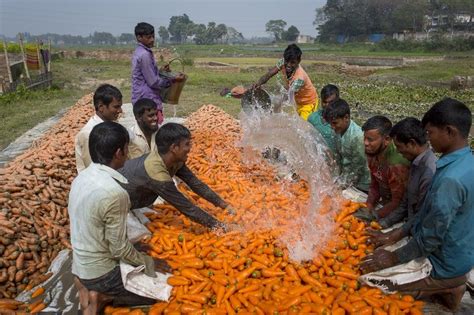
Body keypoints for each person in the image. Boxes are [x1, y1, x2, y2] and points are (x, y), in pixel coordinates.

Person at [361, 98, 474, 311]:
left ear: (449, 131)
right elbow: (425, 211)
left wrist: (394, 256)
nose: (428, 139)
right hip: (458, 253)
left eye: (430, 133)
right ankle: (450, 286)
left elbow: (431, 236)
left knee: (371, 284)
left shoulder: (450, 179)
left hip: (443, 263)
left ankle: (448, 285)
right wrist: (396, 235)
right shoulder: (465, 162)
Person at [69, 121, 171, 313]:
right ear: (119, 153)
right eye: (126, 148)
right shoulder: (114, 192)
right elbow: (118, 249)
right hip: (102, 274)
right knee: (168, 291)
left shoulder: (81, 178)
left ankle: (84, 284)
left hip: (79, 265)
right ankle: (103, 295)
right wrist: (148, 262)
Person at [119, 123, 235, 230]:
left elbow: (195, 183)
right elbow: (186, 207)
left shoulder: (173, 160)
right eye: (187, 144)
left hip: (134, 200)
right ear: (174, 148)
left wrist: (223, 205)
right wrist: (221, 227)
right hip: (117, 204)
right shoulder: (156, 172)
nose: (190, 148)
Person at [377, 117, 436, 229]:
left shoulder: (429, 172)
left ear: (412, 143)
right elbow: (405, 203)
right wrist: (384, 223)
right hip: (410, 223)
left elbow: (421, 217)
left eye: (399, 147)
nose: (398, 152)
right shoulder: (415, 162)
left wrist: (392, 235)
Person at [131, 22, 185, 124]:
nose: (152, 40)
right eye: (148, 37)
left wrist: (160, 71)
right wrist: (172, 80)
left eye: (153, 36)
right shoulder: (144, 55)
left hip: (141, 98)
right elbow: (153, 82)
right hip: (147, 99)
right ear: (139, 37)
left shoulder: (140, 51)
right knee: (154, 126)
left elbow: (146, 74)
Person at [361, 116, 410, 220]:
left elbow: (398, 202)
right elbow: (375, 185)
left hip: (399, 212)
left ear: (387, 139)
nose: (365, 143)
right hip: (385, 203)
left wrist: (373, 216)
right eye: (364, 138)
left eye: (370, 139)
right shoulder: (373, 153)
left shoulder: (396, 165)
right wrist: (368, 206)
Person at [252, 44, 318, 120]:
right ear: (284, 58)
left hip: (308, 103)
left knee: (305, 125)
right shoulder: (282, 62)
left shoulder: (299, 78)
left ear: (299, 61)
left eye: (292, 62)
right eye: (287, 61)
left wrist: (275, 107)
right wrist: (258, 84)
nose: (288, 65)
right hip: (298, 101)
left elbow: (288, 96)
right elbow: (269, 74)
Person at [323, 99, 371, 192]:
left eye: (335, 123)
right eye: (330, 124)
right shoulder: (338, 132)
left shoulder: (356, 136)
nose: (332, 127)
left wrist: (341, 186)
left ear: (346, 117)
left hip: (362, 184)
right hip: (346, 178)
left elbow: (358, 168)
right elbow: (337, 158)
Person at [75, 84, 123, 172]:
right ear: (101, 107)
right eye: (116, 107)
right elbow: (93, 169)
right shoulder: (88, 134)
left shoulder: (113, 123)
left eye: (120, 106)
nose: (120, 111)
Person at [307, 84, 341, 158]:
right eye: (325, 102)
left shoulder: (342, 121)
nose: (328, 105)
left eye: (331, 102)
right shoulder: (313, 118)